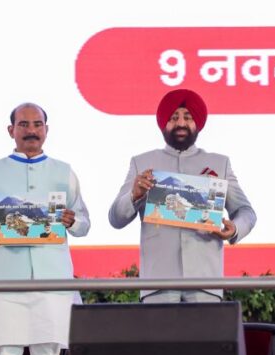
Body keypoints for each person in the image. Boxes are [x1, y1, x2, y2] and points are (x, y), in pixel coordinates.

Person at [0, 103, 90, 355]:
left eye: (37, 124)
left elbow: (84, 222)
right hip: (5, 281)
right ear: (11, 130)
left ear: (46, 130)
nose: (31, 131)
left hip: (52, 280)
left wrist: (72, 221)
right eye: (23, 125)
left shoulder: (64, 172)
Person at [109, 89, 256, 303]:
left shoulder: (219, 163)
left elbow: (246, 212)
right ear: (163, 124)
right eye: (173, 117)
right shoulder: (141, 163)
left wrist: (235, 229)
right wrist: (135, 194)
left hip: (205, 283)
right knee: (160, 338)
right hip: (157, 283)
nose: (180, 123)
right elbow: (116, 219)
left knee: (204, 338)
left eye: (187, 117)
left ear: (197, 123)